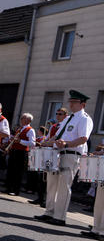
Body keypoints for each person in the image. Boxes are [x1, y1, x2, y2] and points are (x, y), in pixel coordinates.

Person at [34, 90, 93, 226]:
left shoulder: (85, 119)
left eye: (74, 102)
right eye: (70, 102)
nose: (71, 104)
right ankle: (49, 212)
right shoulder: (68, 118)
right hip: (58, 153)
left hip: (71, 155)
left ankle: (60, 217)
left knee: (64, 186)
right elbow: (57, 136)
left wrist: (66, 143)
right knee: (52, 183)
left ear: (82, 104)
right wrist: (46, 142)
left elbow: (83, 138)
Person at [4, 113, 36, 196]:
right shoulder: (20, 129)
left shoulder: (30, 130)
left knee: (18, 172)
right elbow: (16, 139)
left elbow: (32, 143)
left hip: (22, 152)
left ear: (28, 120)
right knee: (11, 170)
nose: (21, 119)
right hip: (14, 150)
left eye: (23, 118)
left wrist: (20, 141)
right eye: (21, 118)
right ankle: (9, 188)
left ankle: (16, 190)